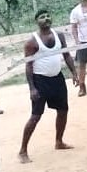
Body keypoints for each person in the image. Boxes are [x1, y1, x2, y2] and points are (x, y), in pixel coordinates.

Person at [19, 9, 77, 163]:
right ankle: (23, 151)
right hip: (40, 81)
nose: (46, 19)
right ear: (36, 21)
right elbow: (28, 66)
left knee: (63, 110)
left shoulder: (59, 36)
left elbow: (66, 55)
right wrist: (32, 88)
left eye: (48, 16)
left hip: (57, 78)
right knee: (35, 116)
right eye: (42, 17)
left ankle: (59, 141)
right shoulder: (32, 42)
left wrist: (74, 73)